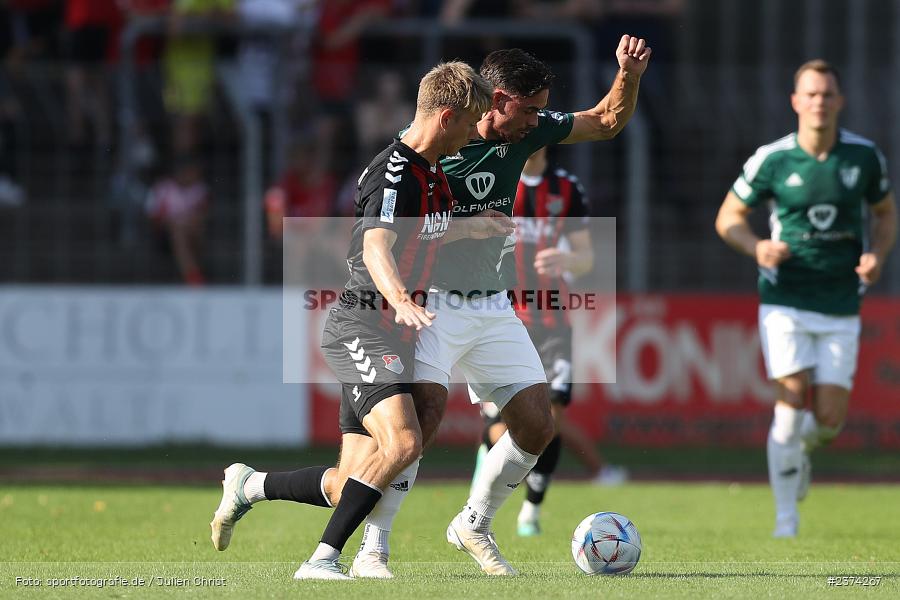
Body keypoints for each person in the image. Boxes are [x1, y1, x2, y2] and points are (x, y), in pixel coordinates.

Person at [209, 61, 509, 580]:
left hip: (389, 331)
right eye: (469, 122)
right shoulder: (395, 175)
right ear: (446, 116)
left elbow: (424, 235)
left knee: (353, 481)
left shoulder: (432, 170)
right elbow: (376, 247)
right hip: (363, 326)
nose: (473, 133)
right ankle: (323, 560)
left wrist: (472, 229)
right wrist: (402, 299)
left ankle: (250, 485)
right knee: (405, 443)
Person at [409, 37, 650, 576]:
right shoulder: (438, 141)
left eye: (543, 109)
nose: (539, 121)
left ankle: (474, 521)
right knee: (415, 429)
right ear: (498, 99)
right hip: (429, 304)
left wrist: (628, 75)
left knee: (539, 424)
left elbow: (606, 121)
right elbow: (388, 229)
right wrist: (458, 229)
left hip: (496, 306)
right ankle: (365, 551)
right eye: (532, 108)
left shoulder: (530, 133)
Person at [715, 59, 896, 538]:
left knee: (830, 421)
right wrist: (757, 246)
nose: (819, 102)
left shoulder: (864, 158)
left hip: (840, 301)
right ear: (796, 102)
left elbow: (885, 214)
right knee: (790, 403)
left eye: (827, 94)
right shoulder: (772, 159)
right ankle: (785, 520)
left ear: (840, 101)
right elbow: (728, 216)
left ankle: (799, 458)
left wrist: (876, 255)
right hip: (785, 298)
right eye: (810, 94)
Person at [468, 146, 627, 539]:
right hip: (501, 320)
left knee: (550, 419)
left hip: (553, 322)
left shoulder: (566, 187)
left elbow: (587, 258)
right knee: (500, 426)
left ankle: (531, 510)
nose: (528, 130)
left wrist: (568, 260)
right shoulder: (492, 182)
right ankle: (481, 499)